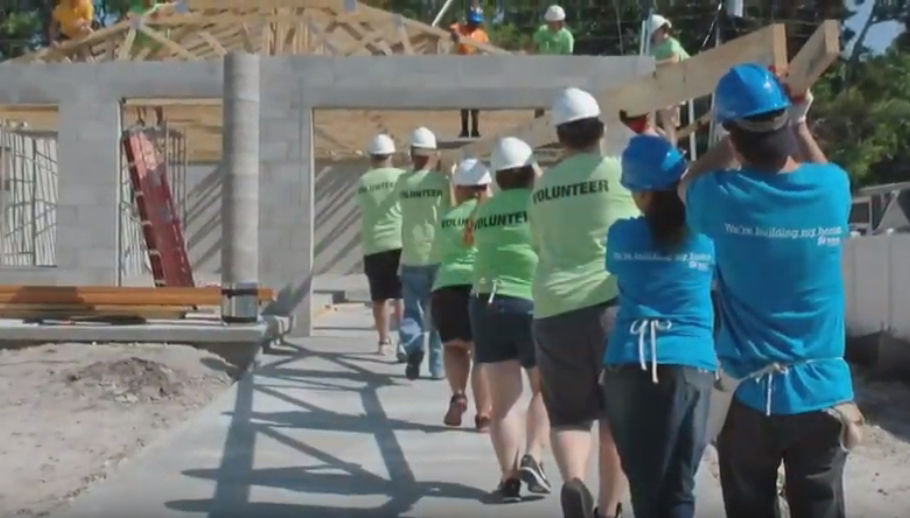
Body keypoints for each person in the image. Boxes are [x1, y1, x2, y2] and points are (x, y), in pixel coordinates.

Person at [680, 63, 863, 518]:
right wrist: (798, 122)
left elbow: (685, 187)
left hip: (748, 399)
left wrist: (731, 142)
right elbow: (829, 178)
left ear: (732, 133)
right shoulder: (831, 188)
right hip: (822, 394)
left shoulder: (721, 196)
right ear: (783, 121)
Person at [528, 87, 640, 518]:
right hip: (610, 302)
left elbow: (539, 244)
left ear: (560, 137)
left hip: (554, 308)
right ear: (601, 130)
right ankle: (610, 507)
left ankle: (574, 481)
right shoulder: (619, 173)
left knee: (568, 415)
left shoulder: (540, 190)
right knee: (617, 415)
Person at [601, 135, 716, 518]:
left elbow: (618, 269)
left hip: (634, 361)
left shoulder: (622, 236)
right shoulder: (706, 237)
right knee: (680, 487)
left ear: (640, 192)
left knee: (646, 490)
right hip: (692, 365)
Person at [471, 137, 551, 502]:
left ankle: (508, 478)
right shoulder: (540, 203)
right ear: (530, 170)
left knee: (503, 404)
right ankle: (534, 453)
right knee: (545, 389)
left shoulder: (483, 210)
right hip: (530, 301)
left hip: (487, 302)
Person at [430, 157, 493, 431]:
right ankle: (485, 414)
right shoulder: (491, 214)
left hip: (446, 286)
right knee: (481, 354)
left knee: (454, 347)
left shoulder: (446, 218)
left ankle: (458, 395)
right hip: (478, 286)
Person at [396, 127, 450, 380]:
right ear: (433, 154)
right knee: (439, 314)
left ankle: (413, 347)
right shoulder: (442, 182)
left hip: (411, 256)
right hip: (439, 256)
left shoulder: (403, 182)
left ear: (412, 154)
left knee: (412, 311)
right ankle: (437, 366)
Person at [355, 134, 405, 356]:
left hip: (374, 245)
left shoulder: (364, 181)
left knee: (379, 298)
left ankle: (384, 342)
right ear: (391, 155)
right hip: (400, 243)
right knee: (402, 296)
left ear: (371, 157)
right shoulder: (401, 177)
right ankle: (405, 340)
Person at [647, 13, 690, 145]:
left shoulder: (672, 43)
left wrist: (653, 65)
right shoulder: (652, 48)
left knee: (667, 116)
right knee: (649, 118)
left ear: (660, 30)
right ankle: (667, 141)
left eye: (655, 33)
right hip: (663, 86)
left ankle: (672, 147)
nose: (654, 36)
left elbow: (674, 60)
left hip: (680, 83)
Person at [450, 6, 489, 138]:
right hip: (463, 71)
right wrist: (455, 34)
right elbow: (452, 28)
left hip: (477, 72)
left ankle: (475, 130)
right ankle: (464, 129)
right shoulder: (461, 29)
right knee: (464, 103)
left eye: (476, 22)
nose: (474, 25)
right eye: (472, 22)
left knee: (476, 104)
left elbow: (486, 50)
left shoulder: (482, 35)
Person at [532, 5, 575, 119]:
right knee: (540, 101)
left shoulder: (567, 37)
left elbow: (567, 58)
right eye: (549, 22)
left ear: (560, 22)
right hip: (542, 70)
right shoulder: (542, 31)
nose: (551, 24)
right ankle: (538, 123)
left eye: (553, 22)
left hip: (559, 71)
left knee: (559, 99)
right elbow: (533, 47)